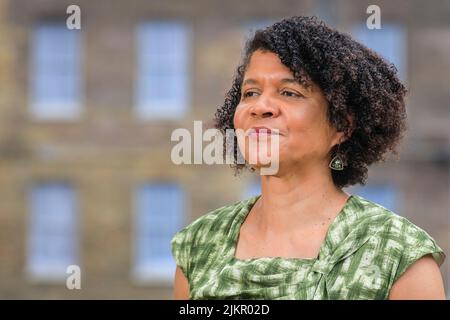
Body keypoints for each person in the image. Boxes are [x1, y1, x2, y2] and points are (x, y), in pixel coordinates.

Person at [171, 16, 446, 300]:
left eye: (289, 92)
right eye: (250, 92)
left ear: (342, 125)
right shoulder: (199, 246)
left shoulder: (397, 255)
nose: (260, 107)